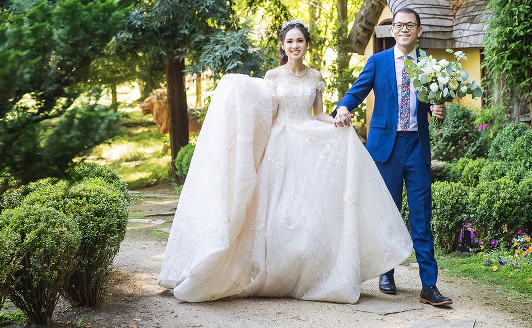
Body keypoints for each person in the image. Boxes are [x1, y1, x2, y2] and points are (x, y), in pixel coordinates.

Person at [158, 19, 413, 304]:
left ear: (306, 44)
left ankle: (304, 275)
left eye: (299, 41)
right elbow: (264, 114)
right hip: (279, 148)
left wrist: (338, 121)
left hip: (308, 145)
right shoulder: (272, 76)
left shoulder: (315, 75)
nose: (295, 45)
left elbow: (318, 114)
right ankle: (270, 273)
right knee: (274, 213)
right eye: (290, 41)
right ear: (282, 45)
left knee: (305, 213)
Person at [333, 7, 452, 306]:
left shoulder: (430, 65)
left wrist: (438, 110)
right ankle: (387, 273)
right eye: (398, 25)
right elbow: (356, 92)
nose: (403, 29)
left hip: (417, 147)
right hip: (386, 148)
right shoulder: (378, 61)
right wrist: (343, 107)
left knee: (422, 217)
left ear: (419, 31)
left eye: (410, 25)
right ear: (392, 30)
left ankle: (429, 285)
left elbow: (435, 105)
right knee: (388, 213)